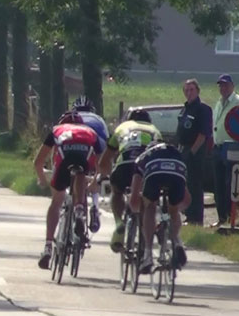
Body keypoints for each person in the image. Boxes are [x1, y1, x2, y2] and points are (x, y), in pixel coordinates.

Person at [33, 111, 103, 269]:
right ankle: (79, 210)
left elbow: (38, 161)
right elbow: (101, 162)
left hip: (64, 160)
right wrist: (94, 182)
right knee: (81, 172)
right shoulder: (90, 132)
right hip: (84, 159)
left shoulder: (57, 130)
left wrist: (43, 180)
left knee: (56, 202)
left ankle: (48, 247)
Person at [97, 109, 162, 252]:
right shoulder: (155, 130)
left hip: (124, 166)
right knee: (147, 199)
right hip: (146, 167)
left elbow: (104, 160)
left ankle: (119, 222)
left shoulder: (121, 128)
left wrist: (105, 176)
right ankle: (147, 234)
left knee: (117, 192)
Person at [129, 142, 191, 273]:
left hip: (154, 171)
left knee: (149, 207)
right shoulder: (176, 153)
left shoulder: (143, 157)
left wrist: (140, 209)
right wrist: (171, 212)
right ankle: (177, 241)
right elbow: (187, 199)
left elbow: (134, 196)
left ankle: (148, 255)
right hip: (177, 170)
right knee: (173, 210)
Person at [71, 95, 109, 233]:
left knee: (77, 172)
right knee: (95, 175)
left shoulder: (70, 117)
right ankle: (94, 206)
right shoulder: (98, 119)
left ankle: (78, 208)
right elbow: (107, 140)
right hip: (96, 143)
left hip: (73, 144)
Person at [176, 78, 212, 225]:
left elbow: (203, 134)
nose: (189, 93)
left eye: (191, 90)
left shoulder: (203, 109)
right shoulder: (185, 108)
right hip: (183, 148)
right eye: (186, 90)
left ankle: (196, 218)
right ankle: (189, 215)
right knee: (186, 184)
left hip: (195, 150)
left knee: (195, 185)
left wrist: (192, 152)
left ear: (197, 91)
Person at [211, 74, 239, 227]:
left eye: (225, 85)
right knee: (217, 185)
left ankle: (229, 217)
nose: (223, 88)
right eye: (221, 86)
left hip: (231, 146)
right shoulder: (219, 103)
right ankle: (221, 218)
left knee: (229, 184)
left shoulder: (238, 101)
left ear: (232, 86)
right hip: (217, 147)